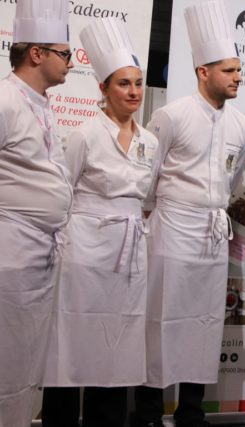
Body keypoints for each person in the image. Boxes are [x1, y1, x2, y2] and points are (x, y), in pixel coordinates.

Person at [133, 1, 245, 426]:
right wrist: (153, 217)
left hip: (213, 233)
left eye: (239, 70)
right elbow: (146, 175)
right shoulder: (171, 115)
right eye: (229, 70)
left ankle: (191, 410)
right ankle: (148, 411)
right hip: (171, 228)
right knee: (159, 318)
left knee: (205, 322)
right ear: (203, 71)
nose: (237, 77)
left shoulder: (241, 124)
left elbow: (234, 179)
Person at [39, 18, 156, 427]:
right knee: (72, 341)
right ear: (103, 88)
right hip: (83, 253)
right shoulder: (85, 135)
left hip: (130, 255)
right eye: (124, 84)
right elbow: (63, 192)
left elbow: (147, 199)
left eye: (138, 83)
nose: (134, 92)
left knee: (117, 345)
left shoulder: (150, 142)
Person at [0, 0, 73, 425]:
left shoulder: (41, 104)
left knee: (27, 363)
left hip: (38, 256)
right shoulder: (4, 100)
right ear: (36, 53)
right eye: (64, 53)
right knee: (6, 360)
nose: (71, 62)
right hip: (10, 255)